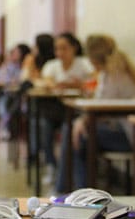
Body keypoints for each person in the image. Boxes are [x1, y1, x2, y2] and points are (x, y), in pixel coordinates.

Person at [55, 34, 135, 193]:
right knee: (76, 134)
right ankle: (75, 190)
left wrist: (80, 122)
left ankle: (72, 191)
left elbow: (101, 107)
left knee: (73, 133)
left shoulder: (115, 73)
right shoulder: (118, 68)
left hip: (132, 136)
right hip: (131, 131)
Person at [38, 32, 94, 185]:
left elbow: (93, 81)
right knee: (44, 127)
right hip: (55, 110)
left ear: (74, 48)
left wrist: (74, 84)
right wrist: (73, 84)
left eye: (64, 48)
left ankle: (62, 184)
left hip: (76, 112)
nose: (60, 53)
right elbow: (47, 82)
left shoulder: (84, 63)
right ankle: (51, 165)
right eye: (57, 49)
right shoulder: (52, 65)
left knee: (67, 131)